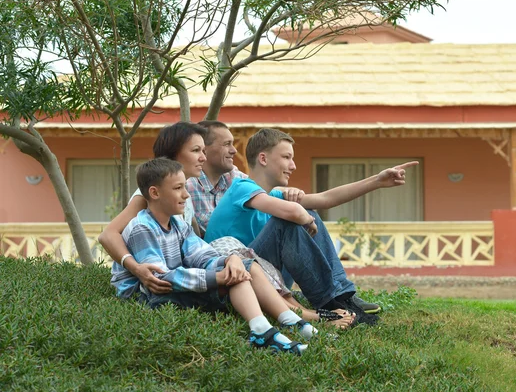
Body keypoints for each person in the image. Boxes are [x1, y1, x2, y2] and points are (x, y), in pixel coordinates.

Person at [99, 122, 355, 329]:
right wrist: (136, 268)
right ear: (175, 155)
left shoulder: (212, 185)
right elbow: (109, 235)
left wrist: (288, 193)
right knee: (229, 246)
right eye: (196, 151)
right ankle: (296, 311)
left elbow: (257, 187)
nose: (203, 156)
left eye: (203, 150)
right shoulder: (154, 193)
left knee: (234, 249)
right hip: (167, 275)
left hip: (202, 263)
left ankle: (332, 297)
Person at [204, 128, 419, 324]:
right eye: (287, 157)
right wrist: (302, 216)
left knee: (309, 212)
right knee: (289, 220)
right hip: (235, 282)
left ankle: (343, 296)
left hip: (267, 277)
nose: (293, 166)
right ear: (263, 158)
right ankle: (330, 303)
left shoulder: (274, 195)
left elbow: (325, 198)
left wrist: (378, 181)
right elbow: (293, 213)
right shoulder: (241, 187)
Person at [111, 158, 316, 354]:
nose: (186, 195)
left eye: (185, 187)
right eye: (177, 188)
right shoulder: (141, 227)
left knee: (242, 268)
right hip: (149, 297)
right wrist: (218, 277)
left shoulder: (179, 225)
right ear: (154, 193)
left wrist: (230, 260)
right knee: (232, 277)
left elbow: (202, 255)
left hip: (170, 288)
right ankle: (266, 332)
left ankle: (286, 322)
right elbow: (159, 279)